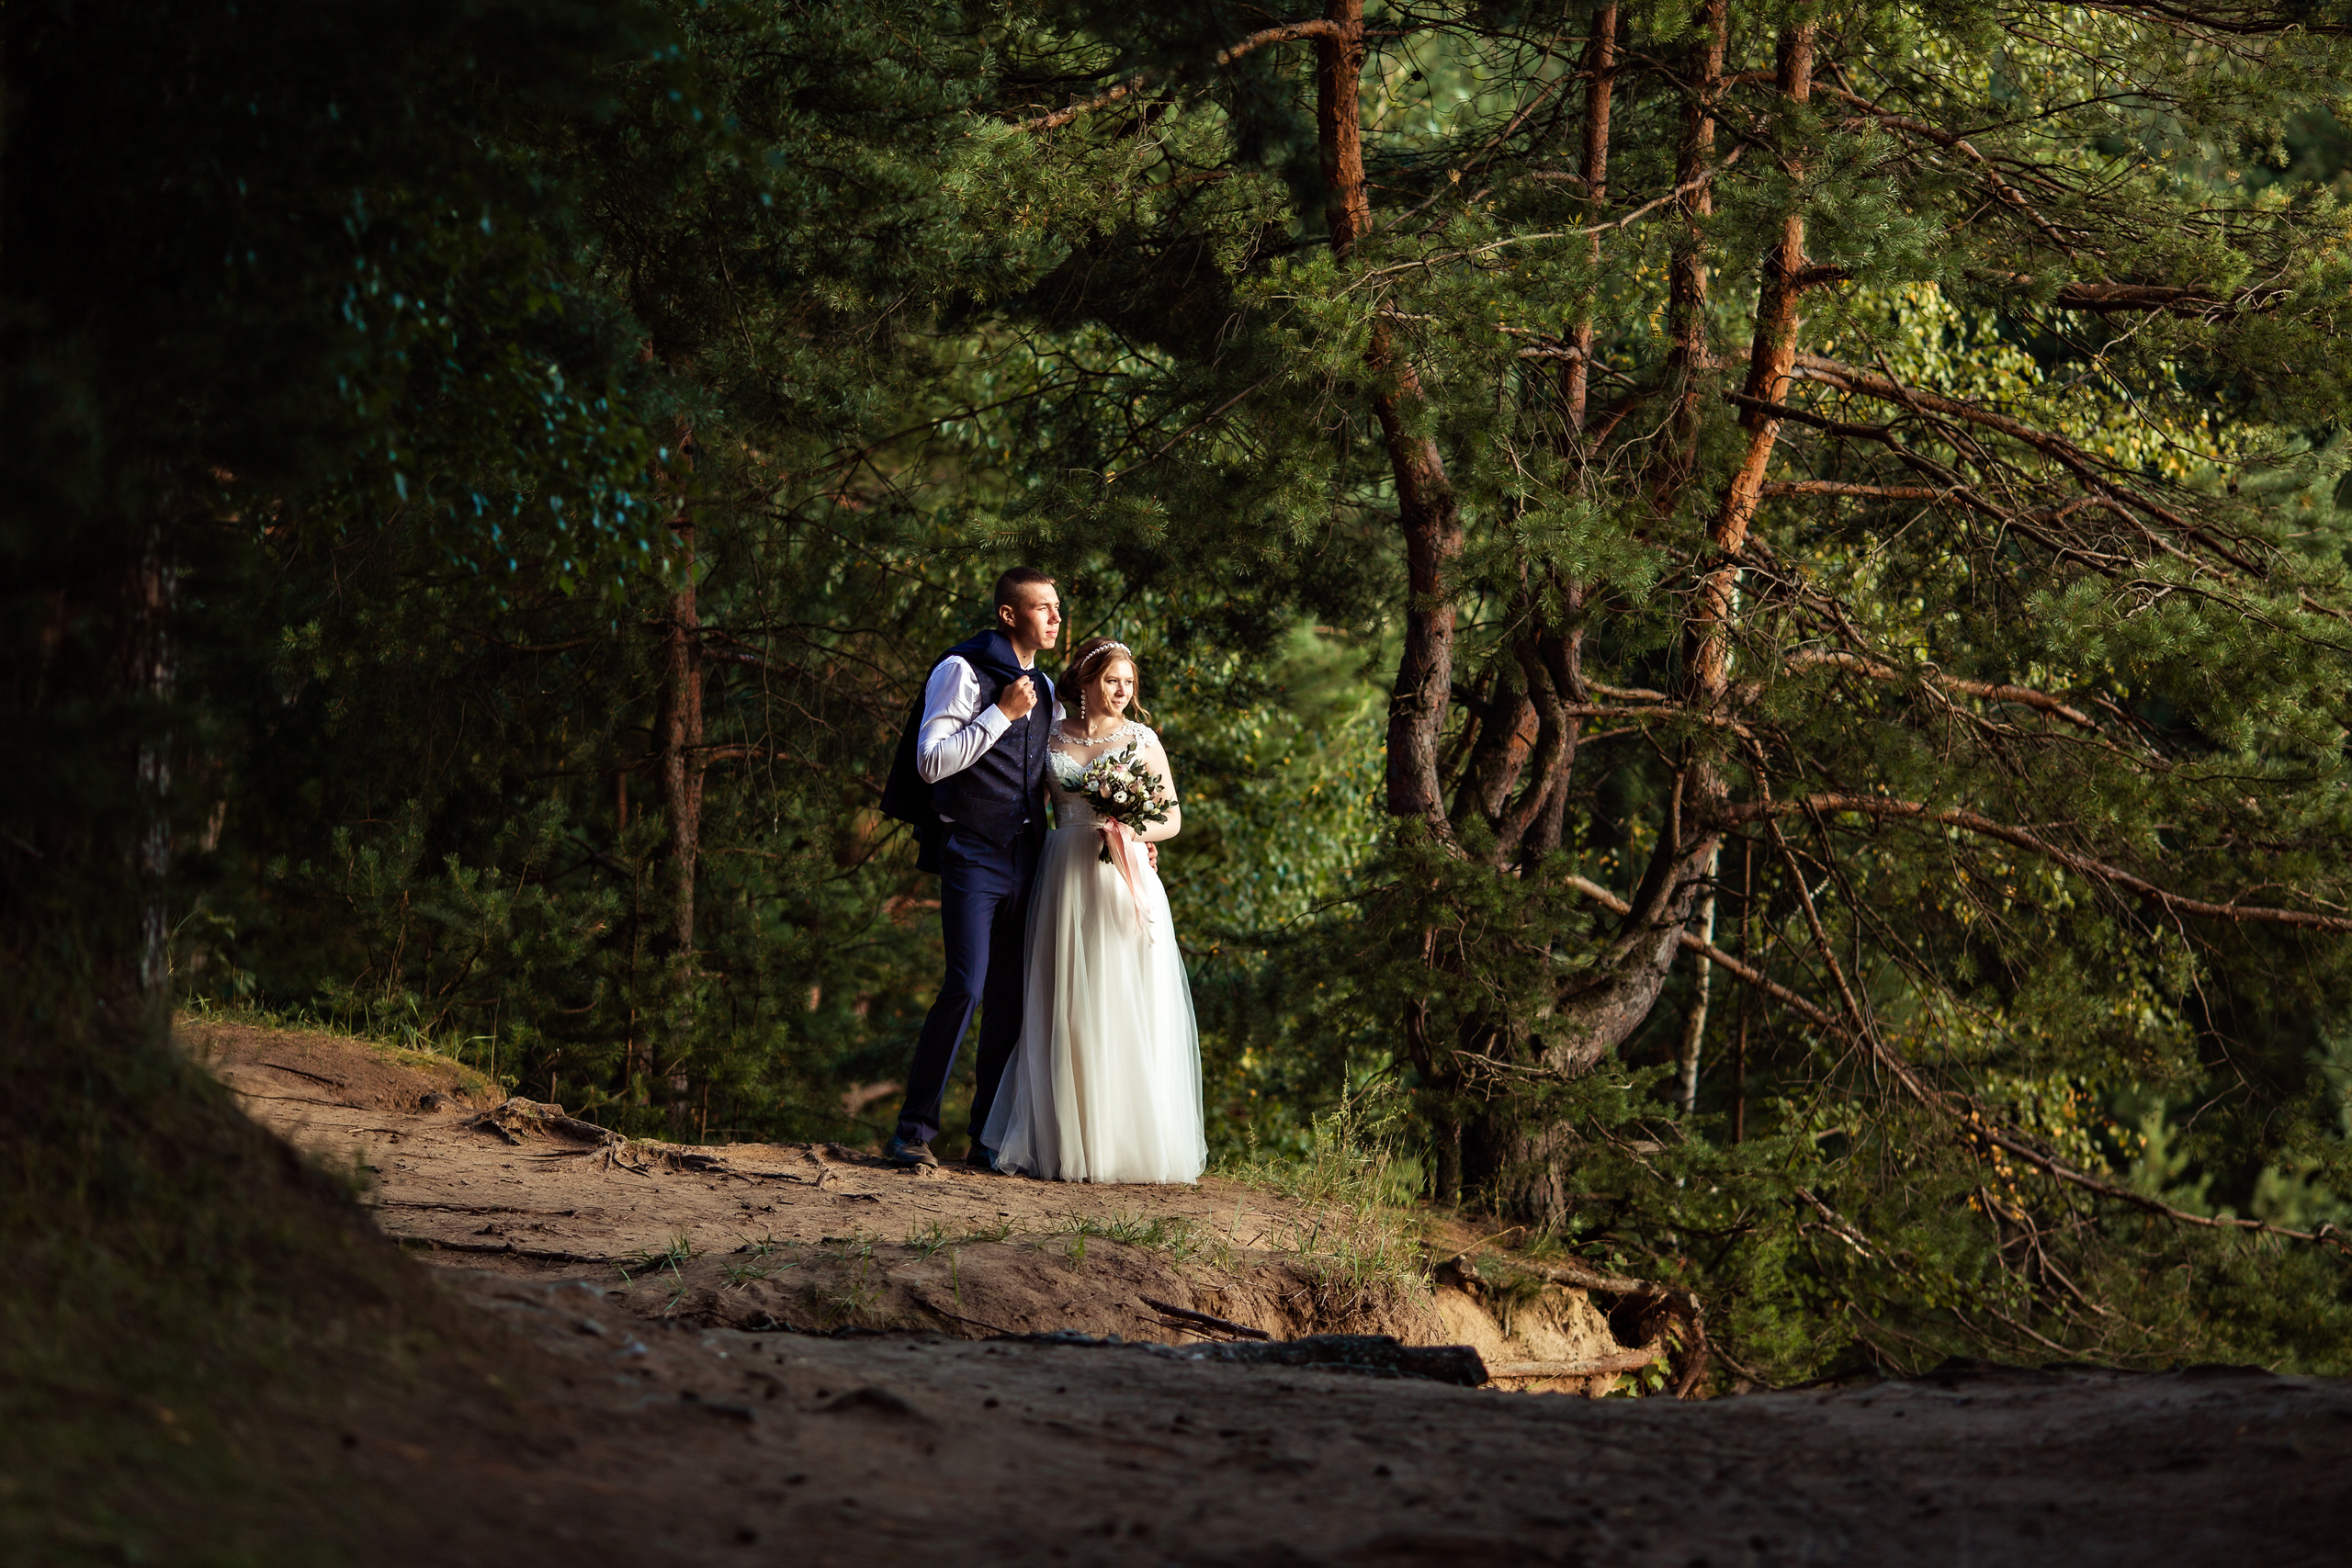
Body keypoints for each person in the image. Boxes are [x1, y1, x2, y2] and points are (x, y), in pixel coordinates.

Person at [981, 637, 1205, 1183]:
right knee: (1065, 1002)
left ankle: (1123, 1142)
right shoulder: (1049, 734)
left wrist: (1130, 828)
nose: (1122, 691)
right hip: (1061, 873)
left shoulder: (1142, 739)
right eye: (1111, 680)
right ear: (1083, 682)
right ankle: (1065, 1141)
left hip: (1119, 874)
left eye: (1129, 682)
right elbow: (1029, 805)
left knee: (1118, 995)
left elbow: (1171, 818)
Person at [877, 568, 1063, 1170]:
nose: (1055, 618)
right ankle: (911, 1131)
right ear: (1010, 615)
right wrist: (1000, 714)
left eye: (1057, 607)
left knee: (1009, 998)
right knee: (966, 985)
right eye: (1043, 608)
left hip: (1029, 856)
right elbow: (931, 763)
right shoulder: (961, 671)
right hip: (973, 855)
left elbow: (1054, 775)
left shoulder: (1049, 687)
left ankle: (986, 1141)